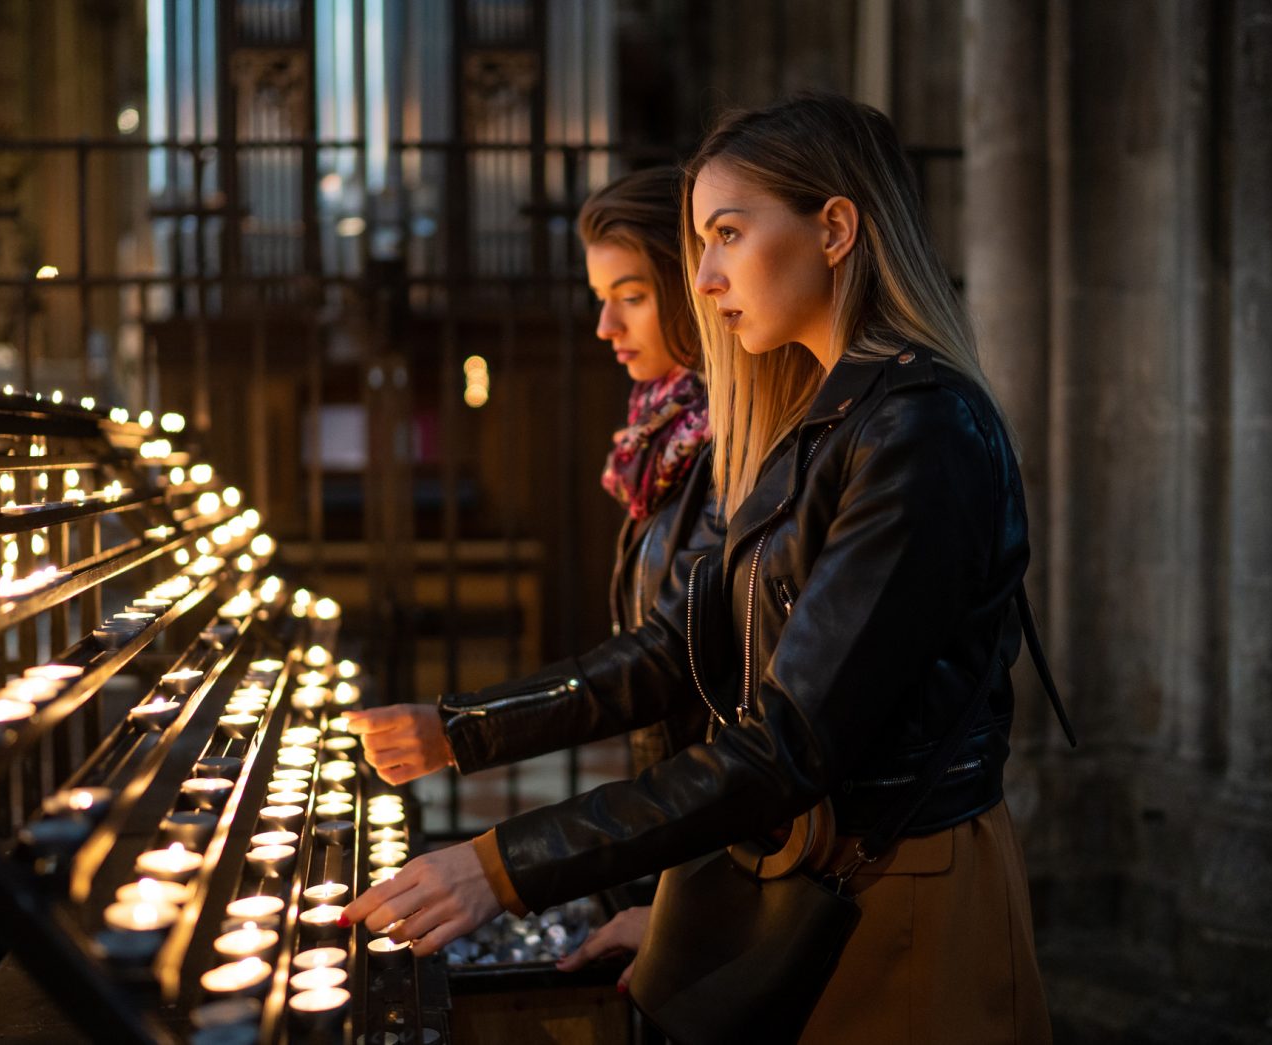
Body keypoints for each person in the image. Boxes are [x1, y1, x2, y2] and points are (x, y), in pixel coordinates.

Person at [344, 92, 1057, 1043]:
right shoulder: (817, 421)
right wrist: (466, 733)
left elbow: (789, 742)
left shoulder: (918, 430)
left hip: (899, 892)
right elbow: (683, 648)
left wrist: (502, 865)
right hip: (805, 876)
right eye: (698, 242)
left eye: (726, 233)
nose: (707, 276)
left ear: (836, 228)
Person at [344, 167, 715, 784]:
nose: (605, 326)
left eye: (632, 296)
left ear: (693, 288)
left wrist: (461, 728)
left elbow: (668, 657)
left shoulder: (725, 437)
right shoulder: (662, 432)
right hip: (673, 785)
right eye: (601, 298)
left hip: (714, 805)